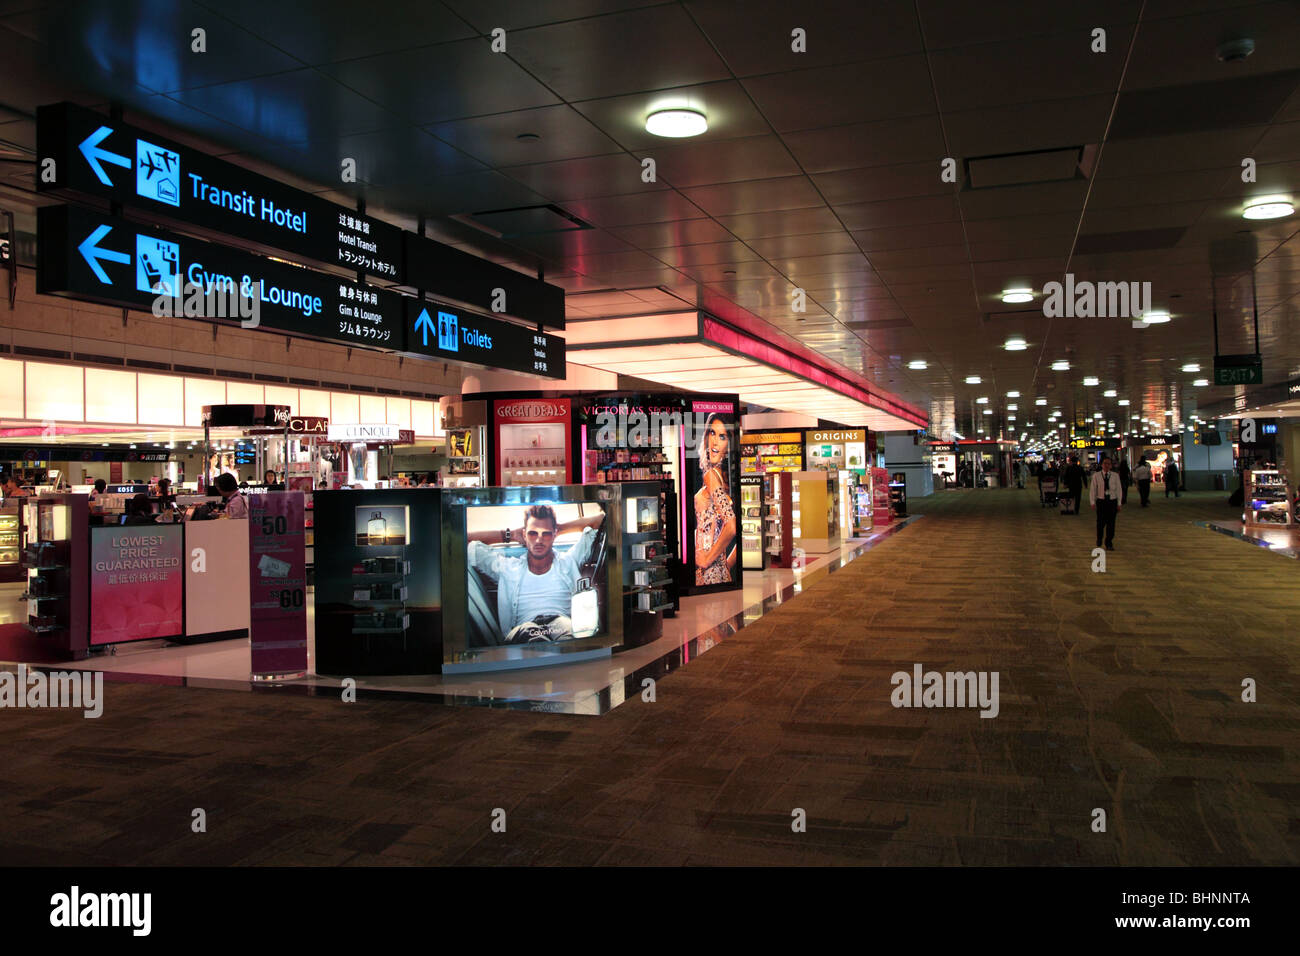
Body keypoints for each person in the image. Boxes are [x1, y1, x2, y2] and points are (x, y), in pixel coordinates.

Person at [467, 504, 606, 643]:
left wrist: (560, 528)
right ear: (524, 535)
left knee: (569, 632)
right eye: (533, 533)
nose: (539, 540)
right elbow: (464, 539)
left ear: (554, 535)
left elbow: (602, 520)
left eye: (546, 533)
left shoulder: (568, 561)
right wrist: (509, 535)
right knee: (529, 633)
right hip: (523, 629)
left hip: (561, 624)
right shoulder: (508, 568)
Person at [693, 413, 737, 585]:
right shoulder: (723, 478)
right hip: (720, 574)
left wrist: (707, 561)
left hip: (707, 574)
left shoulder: (711, 476)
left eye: (722, 436)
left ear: (729, 444)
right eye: (712, 433)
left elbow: (732, 526)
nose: (715, 442)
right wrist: (724, 566)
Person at [1089, 456, 1123, 550]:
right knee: (1100, 523)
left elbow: (1119, 490)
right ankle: (1099, 538)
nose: (1107, 465)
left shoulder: (1115, 476)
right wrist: (1092, 502)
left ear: (1111, 465)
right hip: (1101, 501)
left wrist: (1119, 503)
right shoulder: (1096, 475)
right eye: (1105, 463)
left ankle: (1109, 542)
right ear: (1101, 465)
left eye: (1109, 464)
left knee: (1111, 524)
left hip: (1112, 501)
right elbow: (1093, 490)